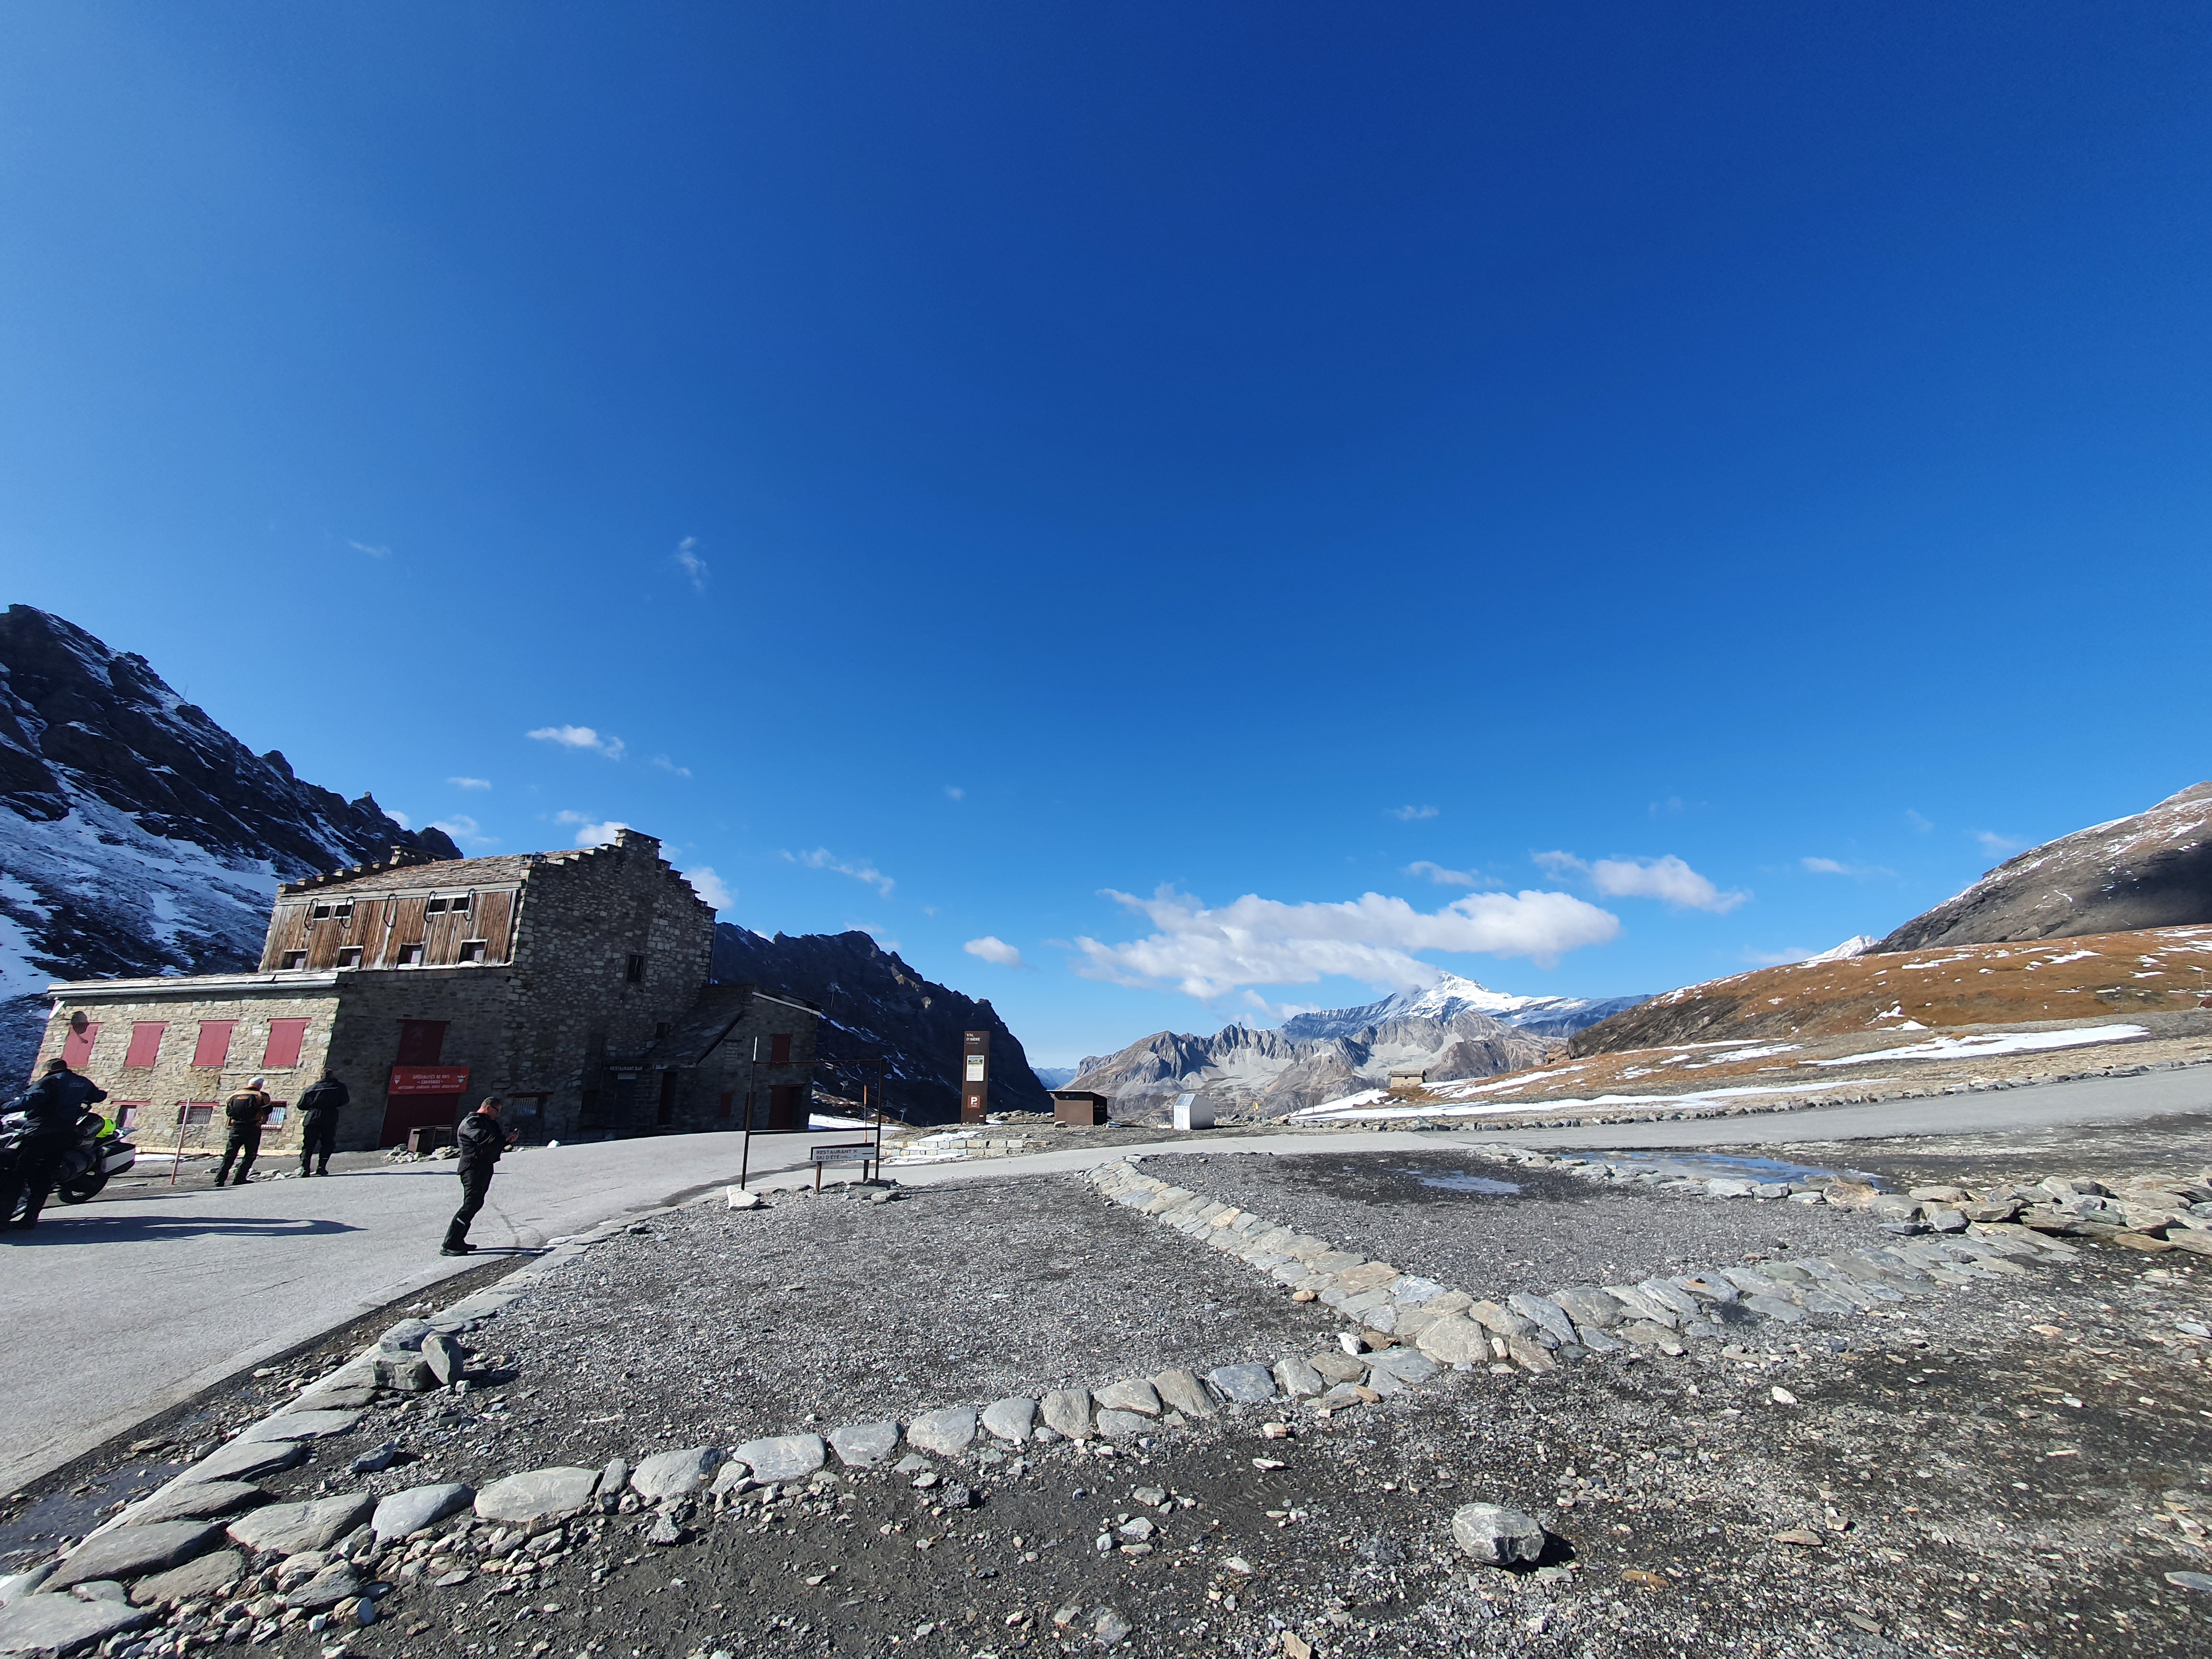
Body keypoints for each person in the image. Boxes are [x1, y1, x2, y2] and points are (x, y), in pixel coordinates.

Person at [0, 1057, 108, 1230]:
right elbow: (99, 1096)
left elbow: (28, 1102)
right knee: (44, 1176)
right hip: (65, 1134)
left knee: (18, 1174)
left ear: (49, 1069)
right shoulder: (82, 1081)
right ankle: (30, 1218)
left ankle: (4, 1218)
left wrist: (4, 1106)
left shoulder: (49, 1082)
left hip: (40, 1133)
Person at [442, 1095, 514, 1256]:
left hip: (485, 1167)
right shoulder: (472, 1121)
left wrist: (507, 1140)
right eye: (497, 1111)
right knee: (470, 1204)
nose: (498, 1115)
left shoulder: (490, 1123)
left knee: (476, 1203)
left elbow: (495, 1142)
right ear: (488, 1108)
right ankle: (449, 1244)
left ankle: (459, 1240)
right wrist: (501, 1139)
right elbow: (482, 1138)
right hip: (472, 1168)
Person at [215, 1076, 273, 1187]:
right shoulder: (261, 1096)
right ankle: (240, 1178)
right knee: (250, 1155)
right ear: (260, 1086)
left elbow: (229, 1113)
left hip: (236, 1127)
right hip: (253, 1126)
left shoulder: (233, 1096)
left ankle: (220, 1179)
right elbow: (268, 1110)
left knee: (230, 1154)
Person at [295, 1072, 348, 1177]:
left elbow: (301, 1105)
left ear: (321, 1076)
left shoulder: (312, 1088)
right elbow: (345, 1101)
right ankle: (322, 1167)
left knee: (308, 1144)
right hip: (330, 1116)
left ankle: (305, 1169)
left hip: (313, 1117)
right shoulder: (339, 1087)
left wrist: (313, 1106)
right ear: (332, 1076)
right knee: (328, 1143)